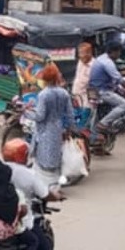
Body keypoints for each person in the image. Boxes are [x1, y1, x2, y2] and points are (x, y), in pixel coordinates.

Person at [1, 139, 64, 250]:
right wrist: (56, 196)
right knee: (44, 249)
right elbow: (44, 194)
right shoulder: (27, 174)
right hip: (22, 221)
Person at [32, 63, 75, 195]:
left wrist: (26, 112)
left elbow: (40, 116)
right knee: (56, 159)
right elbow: (70, 114)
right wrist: (69, 129)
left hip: (45, 130)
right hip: (58, 128)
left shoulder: (44, 95)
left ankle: (44, 189)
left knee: (44, 160)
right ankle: (55, 187)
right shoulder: (64, 93)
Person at [88, 41, 125, 133]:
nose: (119, 54)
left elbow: (113, 81)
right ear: (114, 52)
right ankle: (103, 123)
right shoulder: (107, 63)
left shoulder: (101, 58)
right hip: (101, 91)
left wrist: (123, 90)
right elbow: (119, 79)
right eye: (119, 52)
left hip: (93, 90)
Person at [72, 41, 94, 107]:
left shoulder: (94, 66)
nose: (80, 56)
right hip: (76, 95)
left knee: (86, 115)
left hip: (87, 98)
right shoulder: (80, 62)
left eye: (82, 53)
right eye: (79, 53)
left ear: (89, 53)